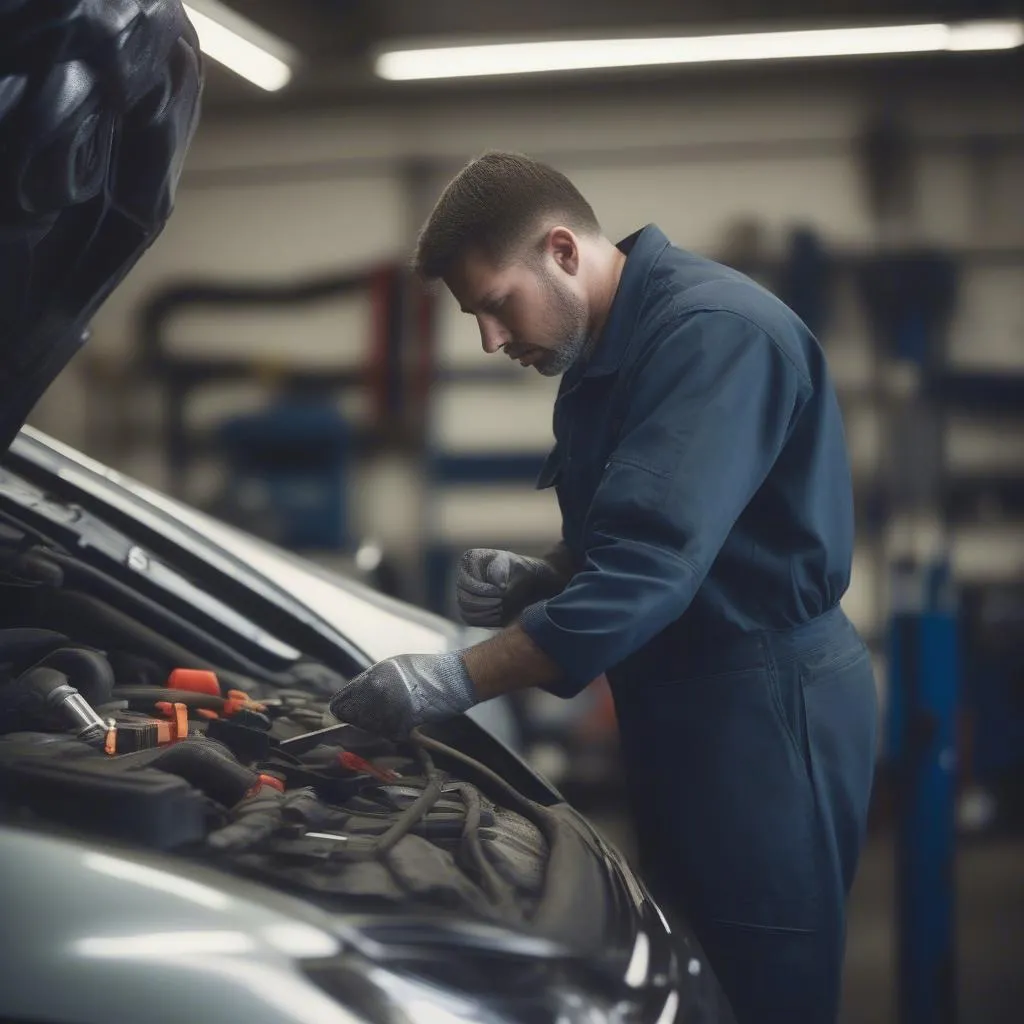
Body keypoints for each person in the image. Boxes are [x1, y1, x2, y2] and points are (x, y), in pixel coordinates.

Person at [330, 151, 879, 1024]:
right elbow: (644, 531)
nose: (490, 340)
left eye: (496, 305)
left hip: (766, 706)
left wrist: (455, 678)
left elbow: (650, 568)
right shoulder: (608, 351)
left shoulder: (711, 335)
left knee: (763, 977)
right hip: (689, 697)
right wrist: (549, 575)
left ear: (562, 250)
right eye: (475, 318)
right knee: (691, 969)